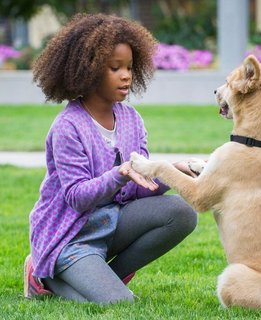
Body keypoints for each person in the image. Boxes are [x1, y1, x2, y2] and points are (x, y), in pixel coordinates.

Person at [24, 13, 198, 304]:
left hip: (111, 223)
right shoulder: (68, 127)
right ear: (88, 70)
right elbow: (78, 197)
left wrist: (173, 172)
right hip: (70, 237)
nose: (126, 75)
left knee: (182, 212)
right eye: (114, 68)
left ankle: (104, 279)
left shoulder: (132, 120)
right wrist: (120, 173)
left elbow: (141, 188)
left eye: (129, 67)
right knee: (121, 304)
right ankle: (42, 277)